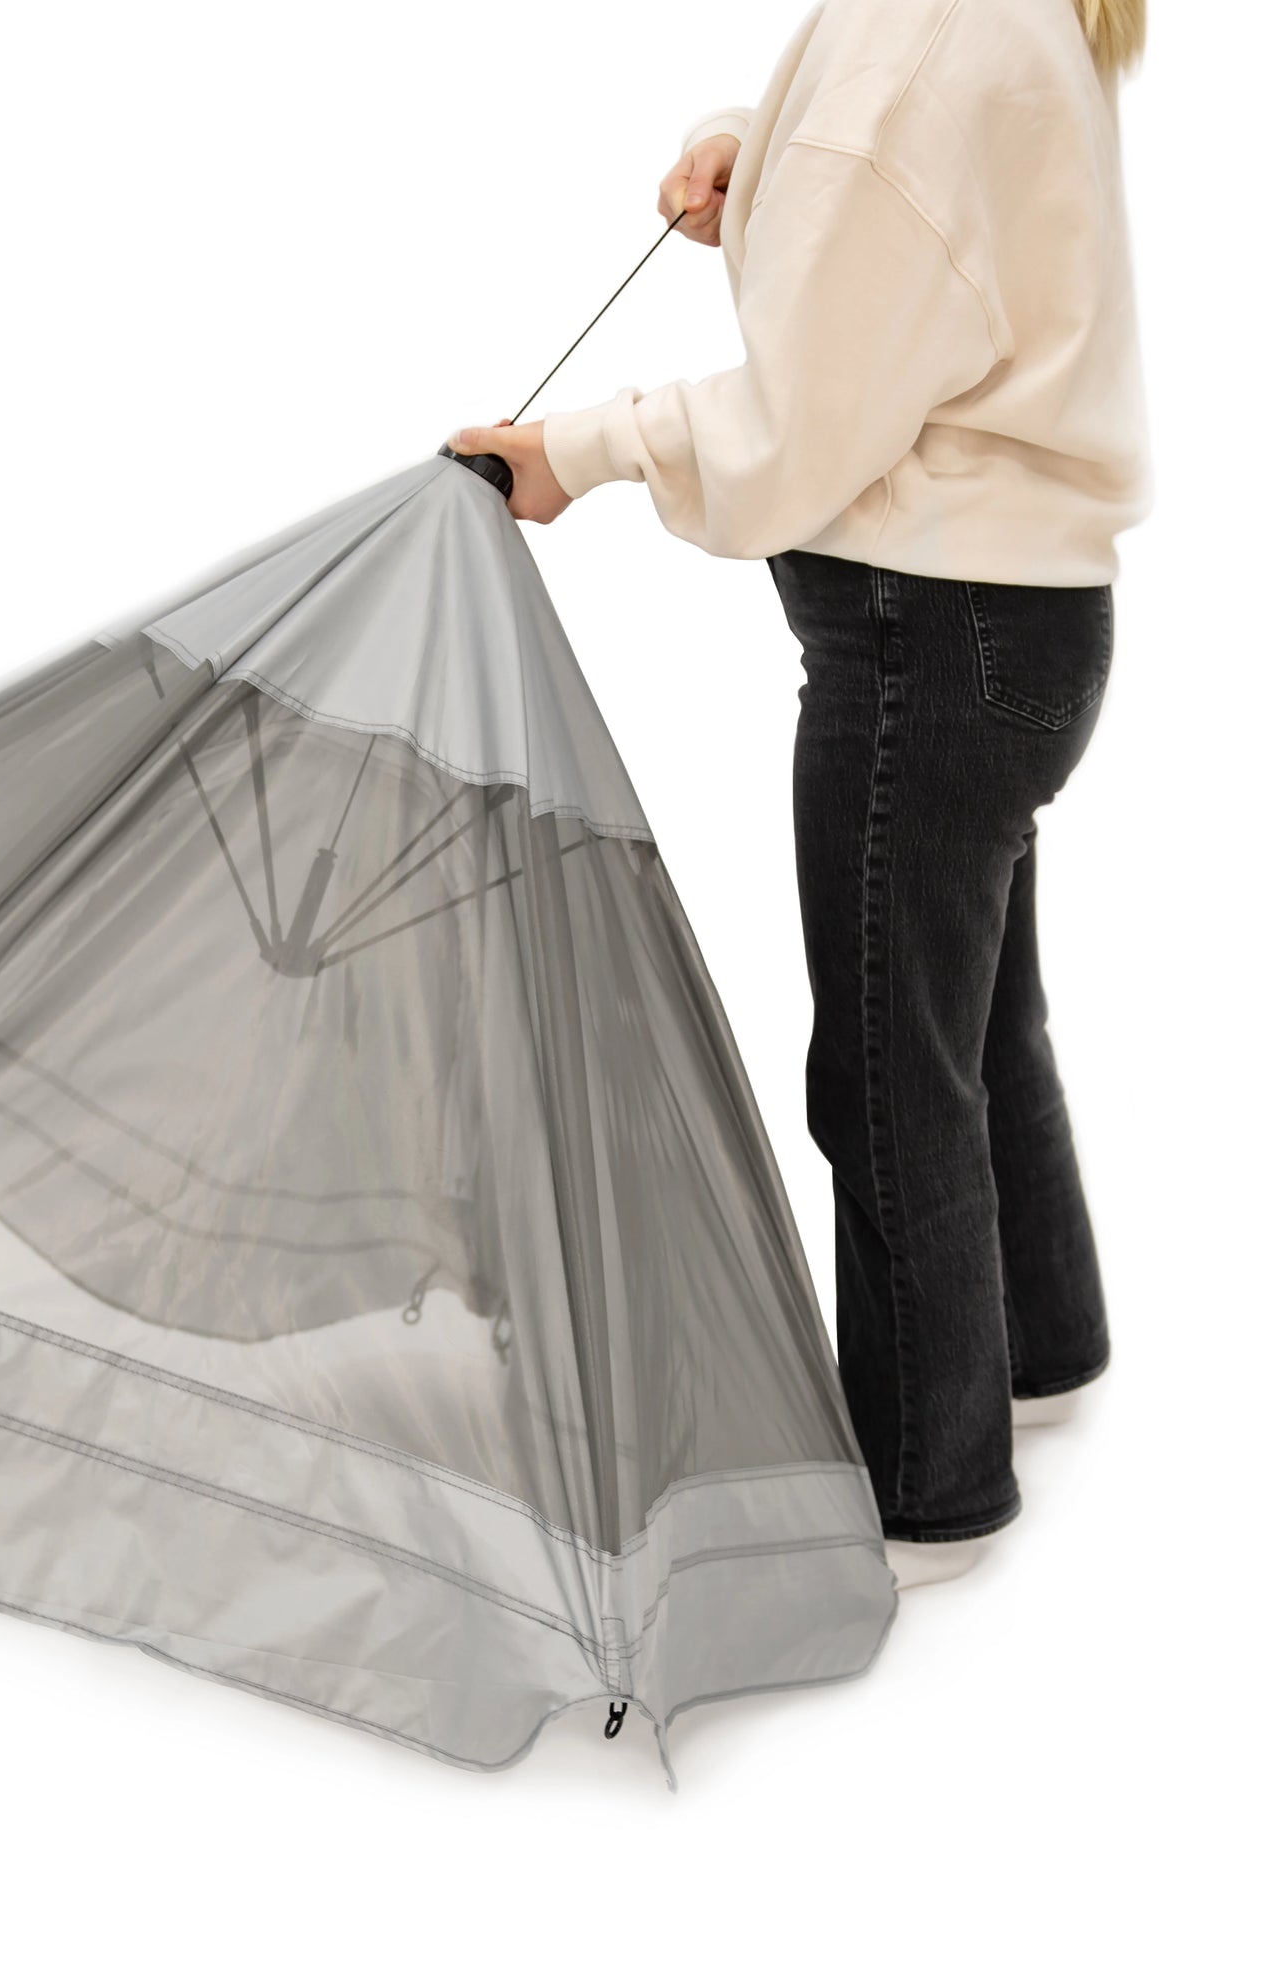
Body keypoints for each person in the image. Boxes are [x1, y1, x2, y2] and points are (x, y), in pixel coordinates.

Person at [451, 0, 1148, 1588]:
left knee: (890, 1076)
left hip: (925, 639)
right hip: (1030, 622)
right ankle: (1042, 1348)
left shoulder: (921, 36)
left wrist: (578, 448)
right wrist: (767, 166)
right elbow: (928, 221)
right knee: (975, 1023)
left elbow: (791, 436)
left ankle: (927, 1488)